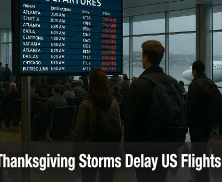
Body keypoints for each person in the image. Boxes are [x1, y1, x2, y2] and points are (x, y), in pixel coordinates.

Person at [126, 40, 185, 182]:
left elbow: (132, 120)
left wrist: (129, 149)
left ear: (145, 57)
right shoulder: (172, 82)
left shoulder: (139, 84)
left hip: (145, 147)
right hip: (167, 145)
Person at [75, 69, 122, 182]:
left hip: (90, 151)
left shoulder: (86, 104)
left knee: (88, 178)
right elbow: (118, 127)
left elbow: (79, 133)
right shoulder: (113, 102)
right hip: (109, 150)